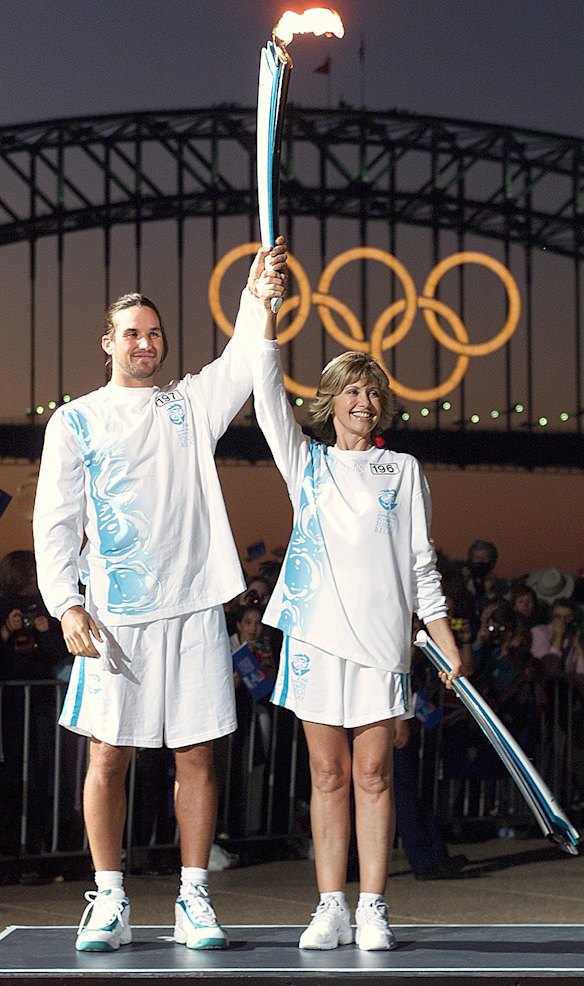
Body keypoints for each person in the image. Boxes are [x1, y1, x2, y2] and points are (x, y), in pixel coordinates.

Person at [32, 242, 287, 953]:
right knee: (108, 758)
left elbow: (242, 358)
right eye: (131, 333)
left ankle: (194, 895)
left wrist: (257, 292)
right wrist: (66, 602)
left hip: (195, 605)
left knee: (198, 757)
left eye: (154, 332)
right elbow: (54, 521)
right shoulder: (75, 421)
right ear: (107, 343)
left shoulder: (188, 406)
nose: (145, 343)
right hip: (115, 615)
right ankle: (109, 899)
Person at [252, 303, 463, 952]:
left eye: (373, 393)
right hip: (315, 635)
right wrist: (264, 318)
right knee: (328, 775)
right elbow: (266, 395)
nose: (365, 402)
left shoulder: (402, 470)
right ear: (330, 401)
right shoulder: (305, 463)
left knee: (373, 773)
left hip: (379, 640)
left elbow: (420, 563)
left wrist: (443, 638)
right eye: (352, 391)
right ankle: (330, 907)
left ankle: (373, 906)